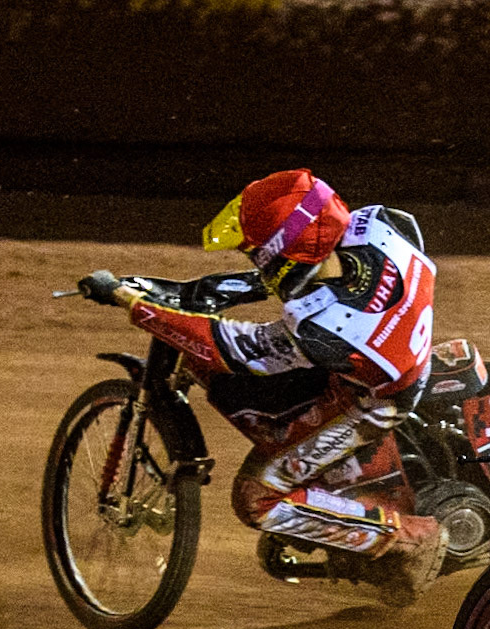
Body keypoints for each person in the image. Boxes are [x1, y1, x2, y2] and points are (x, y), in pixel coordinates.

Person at [75, 169, 447, 597]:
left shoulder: (320, 328)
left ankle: (406, 538)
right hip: (394, 351)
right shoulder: (382, 225)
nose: (253, 258)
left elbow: (230, 347)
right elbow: (307, 276)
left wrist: (134, 304)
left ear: (285, 253)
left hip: (375, 400)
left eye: (256, 251)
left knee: (256, 497)